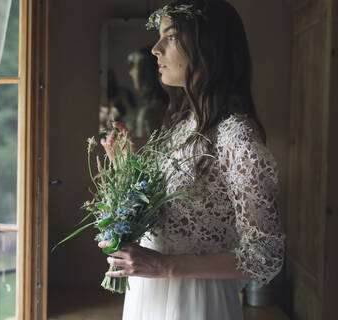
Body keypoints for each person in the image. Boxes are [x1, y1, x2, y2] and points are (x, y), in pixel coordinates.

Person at [99, 1, 285, 319]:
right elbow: (173, 217)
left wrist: (164, 265)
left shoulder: (235, 135)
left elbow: (265, 255)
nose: (155, 49)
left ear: (207, 45)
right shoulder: (183, 125)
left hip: (195, 302)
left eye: (169, 37)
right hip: (150, 295)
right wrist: (125, 172)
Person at [127, 46, 169, 143]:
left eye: (135, 66)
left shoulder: (150, 112)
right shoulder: (161, 104)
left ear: (146, 71)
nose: (131, 72)